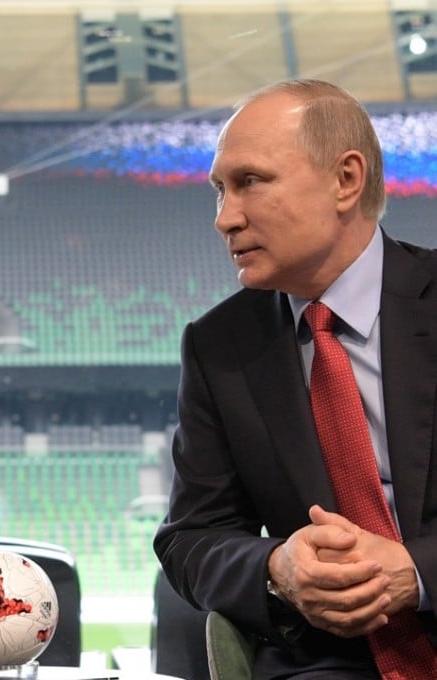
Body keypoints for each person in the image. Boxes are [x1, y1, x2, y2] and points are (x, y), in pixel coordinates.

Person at [154, 79, 437, 678]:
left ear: (346, 180)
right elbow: (190, 537)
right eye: (219, 191)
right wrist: (277, 567)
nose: (224, 219)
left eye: (250, 182)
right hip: (324, 659)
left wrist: (416, 573)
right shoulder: (217, 346)